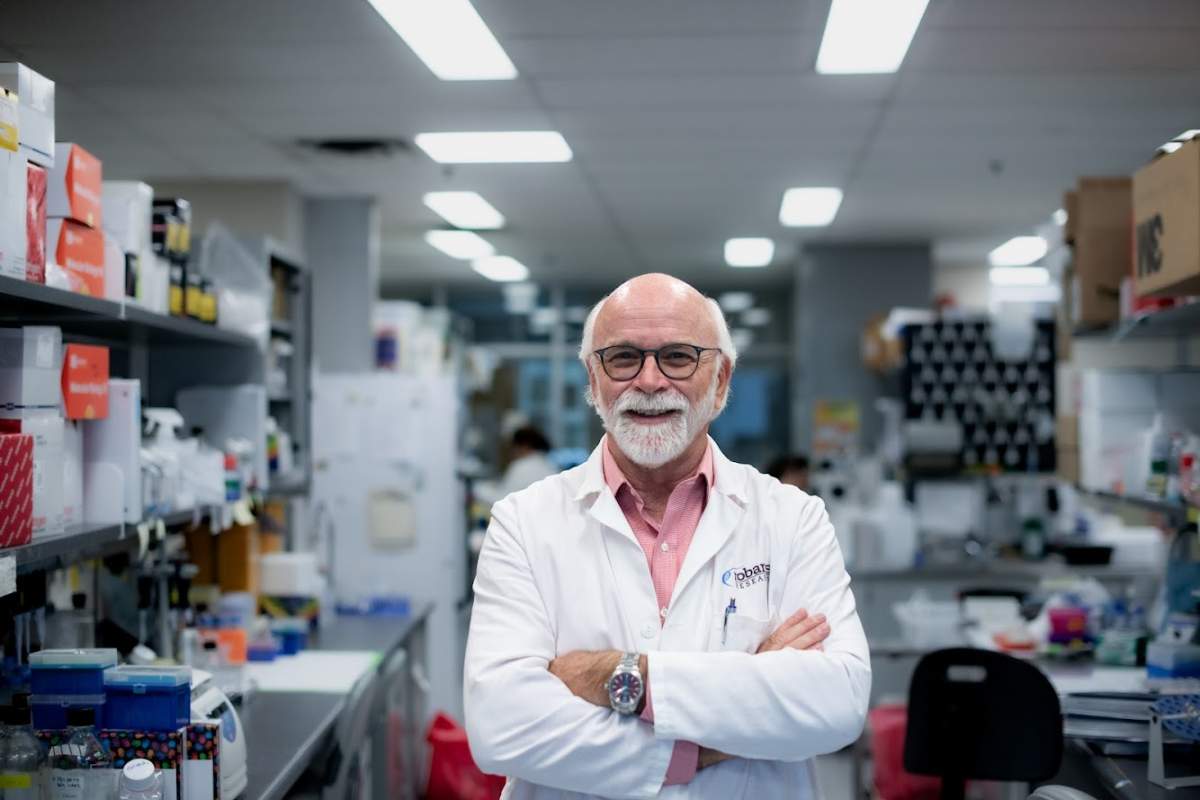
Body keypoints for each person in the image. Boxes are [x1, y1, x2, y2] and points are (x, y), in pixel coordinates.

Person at [464, 274, 870, 798]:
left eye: (678, 357)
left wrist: (615, 675)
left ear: (721, 380)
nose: (650, 381)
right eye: (623, 357)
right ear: (593, 380)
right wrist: (708, 738)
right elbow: (502, 726)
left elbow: (836, 702)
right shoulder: (523, 523)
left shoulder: (792, 518)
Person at [498, 426, 559, 497]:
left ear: (524, 446)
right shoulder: (550, 466)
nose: (512, 452)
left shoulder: (520, 467)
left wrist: (483, 490)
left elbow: (503, 499)